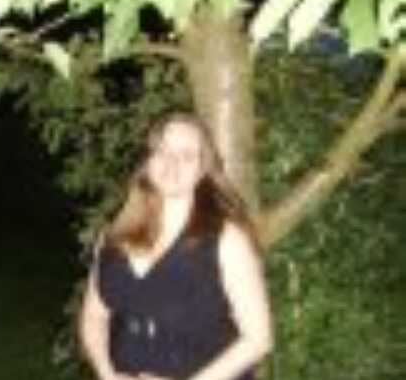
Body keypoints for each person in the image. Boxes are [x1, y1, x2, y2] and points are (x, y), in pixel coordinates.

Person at [79, 112, 273, 380]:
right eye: (162, 151)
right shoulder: (113, 238)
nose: (172, 163)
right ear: (148, 160)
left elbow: (258, 339)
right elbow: (94, 316)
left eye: (186, 155)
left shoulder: (226, 240)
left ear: (203, 169)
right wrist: (107, 373)